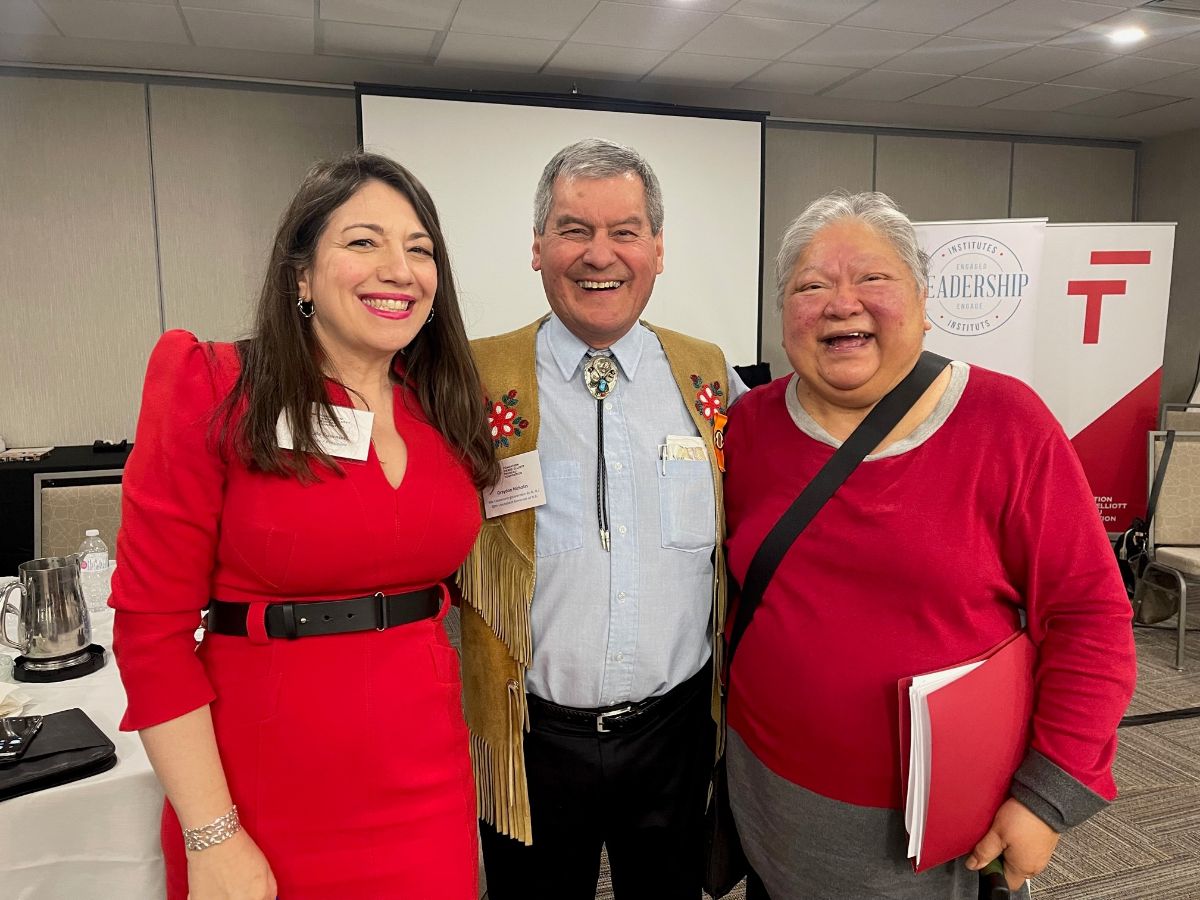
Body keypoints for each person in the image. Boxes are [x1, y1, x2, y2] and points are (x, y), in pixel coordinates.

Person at [721, 191, 1138, 900]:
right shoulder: (748, 425)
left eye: (873, 280)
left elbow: (1091, 618)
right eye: (811, 285)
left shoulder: (1006, 424)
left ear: (921, 298)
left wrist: (1047, 796)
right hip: (768, 801)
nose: (840, 303)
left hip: (931, 840)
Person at [110, 151, 496, 900]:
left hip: (426, 783)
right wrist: (212, 834)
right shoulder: (217, 384)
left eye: (420, 249)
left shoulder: (443, 406)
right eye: (363, 242)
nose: (400, 268)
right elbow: (149, 632)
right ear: (300, 275)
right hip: (261, 791)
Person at [457, 137, 745, 900]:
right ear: (537, 248)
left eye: (624, 231)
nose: (599, 254)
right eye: (574, 229)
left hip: (675, 730)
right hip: (529, 737)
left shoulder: (707, 371)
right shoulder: (472, 377)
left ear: (657, 247)